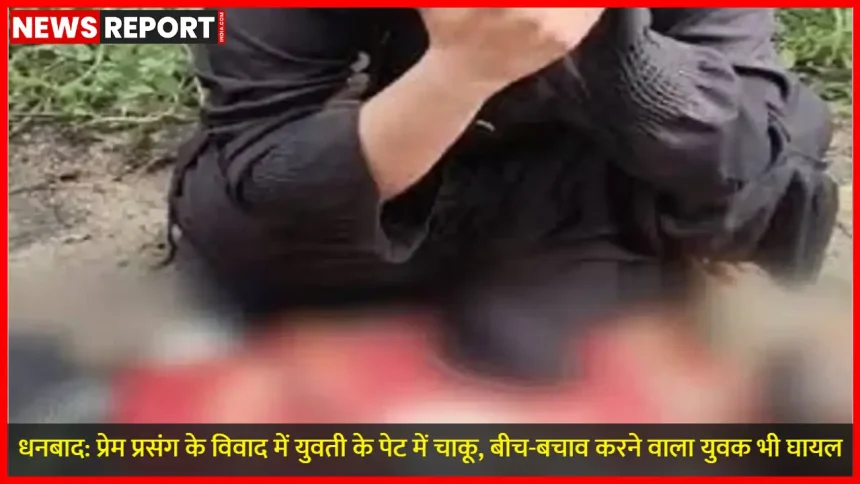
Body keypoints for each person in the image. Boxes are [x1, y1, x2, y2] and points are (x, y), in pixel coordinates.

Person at [167, 8, 837, 381]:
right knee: (249, 238)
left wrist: (608, 47)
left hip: (585, 184)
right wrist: (459, 72)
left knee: (764, 178)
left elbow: (745, 149)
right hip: (384, 193)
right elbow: (270, 163)